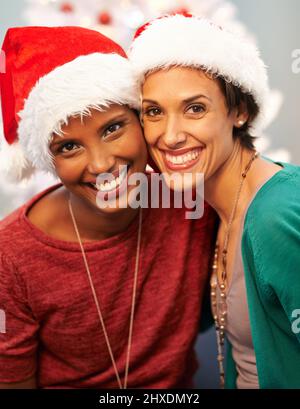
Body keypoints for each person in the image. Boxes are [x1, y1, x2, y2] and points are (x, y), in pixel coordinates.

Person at [0, 26, 216, 389]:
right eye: (69, 147)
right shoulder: (11, 257)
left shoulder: (190, 198)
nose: (100, 164)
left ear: (142, 121)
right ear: (47, 160)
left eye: (113, 128)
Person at [129, 13, 300, 388]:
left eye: (195, 108)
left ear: (239, 111)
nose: (170, 136)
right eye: (154, 112)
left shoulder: (275, 214)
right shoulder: (212, 211)